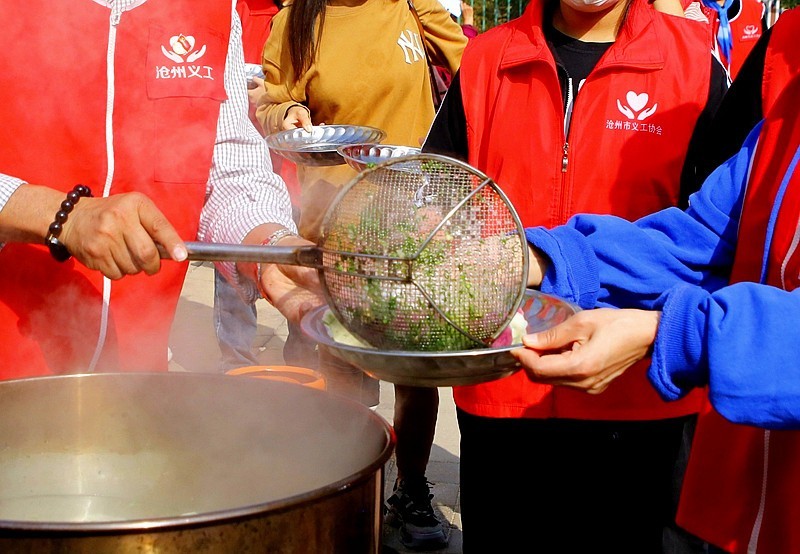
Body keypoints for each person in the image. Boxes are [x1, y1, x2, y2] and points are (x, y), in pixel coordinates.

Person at [422, 0, 728, 550]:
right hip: (506, 384)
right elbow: (439, 194)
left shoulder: (694, 64)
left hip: (640, 391)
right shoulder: (488, 58)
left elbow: (721, 235)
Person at [514, 9, 799, 552]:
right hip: (746, 503)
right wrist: (532, 258)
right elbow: (703, 238)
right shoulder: (790, 71)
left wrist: (666, 332)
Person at [0, 0, 319, 379]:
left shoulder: (213, 8)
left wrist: (268, 248)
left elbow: (228, 164)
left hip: (135, 375)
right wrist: (62, 216)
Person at [254, 0, 466, 549]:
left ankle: (412, 489)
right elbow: (269, 100)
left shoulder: (411, 7)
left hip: (413, 218)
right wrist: (288, 117)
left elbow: (475, 69)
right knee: (343, 367)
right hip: (335, 220)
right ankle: (349, 484)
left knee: (414, 372)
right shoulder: (296, 18)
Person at [213, 0, 312, 374]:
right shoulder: (236, 11)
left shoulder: (308, 15)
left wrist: (282, 103)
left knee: (299, 279)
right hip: (239, 170)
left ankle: (302, 368)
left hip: (296, 174)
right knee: (232, 286)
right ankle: (236, 364)